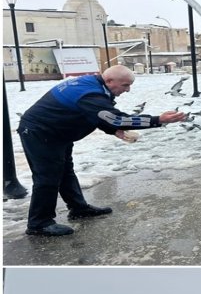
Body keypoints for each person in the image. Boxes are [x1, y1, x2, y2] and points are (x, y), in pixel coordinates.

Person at [17, 65, 187, 236]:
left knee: (65, 171)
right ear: (110, 81)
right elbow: (115, 119)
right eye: (125, 85)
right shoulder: (90, 94)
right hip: (40, 132)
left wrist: (113, 130)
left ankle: (78, 208)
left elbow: (94, 114)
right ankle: (39, 223)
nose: (127, 90)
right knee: (47, 177)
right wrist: (158, 120)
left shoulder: (93, 85)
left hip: (56, 132)